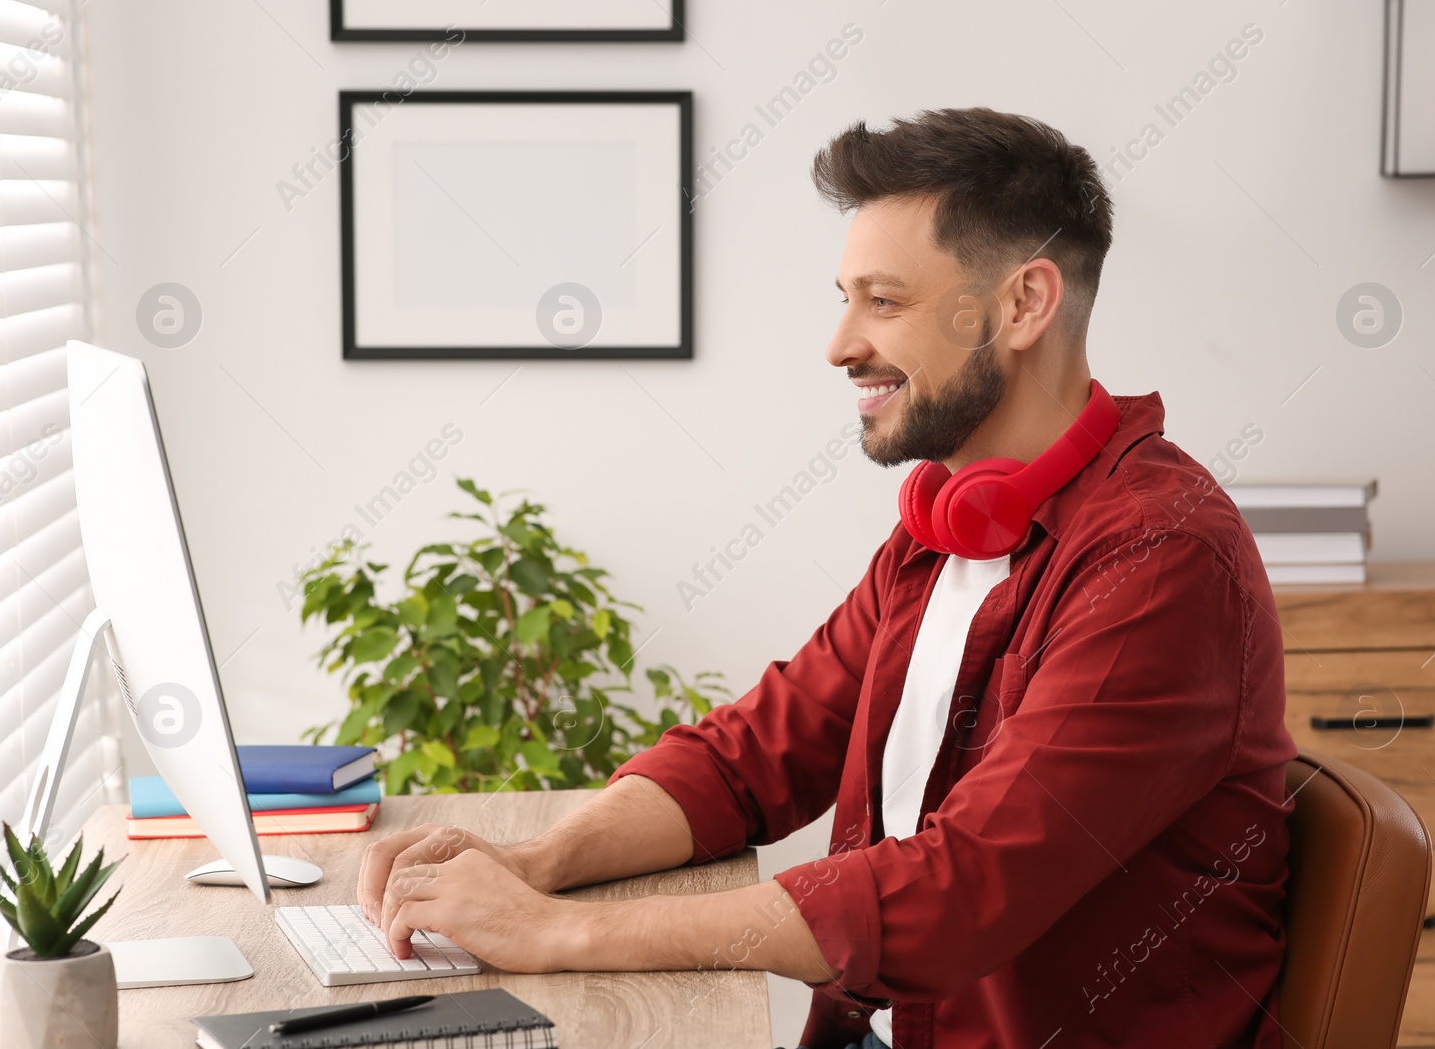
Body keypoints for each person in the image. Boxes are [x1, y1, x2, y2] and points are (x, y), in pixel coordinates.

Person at [357, 107, 1298, 1049]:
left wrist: (558, 933)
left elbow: (959, 891)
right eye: (845, 299)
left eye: (883, 303)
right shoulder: (948, 528)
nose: (841, 344)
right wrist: (533, 862)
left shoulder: (1160, 563)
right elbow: (752, 758)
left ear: (1023, 305)